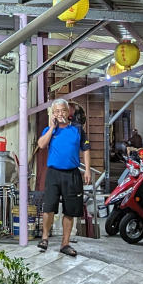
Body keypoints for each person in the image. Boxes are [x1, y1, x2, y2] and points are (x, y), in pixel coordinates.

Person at [36, 98, 91, 257]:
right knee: (49, 208)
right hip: (53, 173)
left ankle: (65, 244)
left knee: (70, 210)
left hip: (72, 174)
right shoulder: (49, 129)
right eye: (57, 111)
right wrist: (52, 127)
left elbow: (86, 149)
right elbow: (41, 145)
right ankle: (45, 238)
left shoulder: (78, 129)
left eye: (63, 110)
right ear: (53, 113)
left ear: (68, 113)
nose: (60, 113)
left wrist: (87, 170)